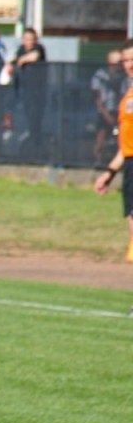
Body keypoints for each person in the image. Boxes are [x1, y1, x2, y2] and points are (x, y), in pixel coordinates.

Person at [92, 40, 133, 263]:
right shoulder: (128, 96)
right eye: (126, 60)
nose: (129, 64)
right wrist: (109, 172)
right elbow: (127, 146)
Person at [6, 28, 49, 149]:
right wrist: (11, 64)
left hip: (37, 92)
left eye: (32, 39)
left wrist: (22, 60)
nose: (30, 42)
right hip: (25, 91)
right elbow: (13, 59)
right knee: (27, 117)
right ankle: (30, 142)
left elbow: (34, 57)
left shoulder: (39, 48)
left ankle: (36, 145)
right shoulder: (21, 49)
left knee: (36, 119)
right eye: (27, 39)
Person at [91, 48, 123, 165]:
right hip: (104, 111)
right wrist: (105, 114)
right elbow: (97, 97)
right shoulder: (101, 76)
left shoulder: (124, 76)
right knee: (101, 136)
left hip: (119, 111)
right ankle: (98, 161)